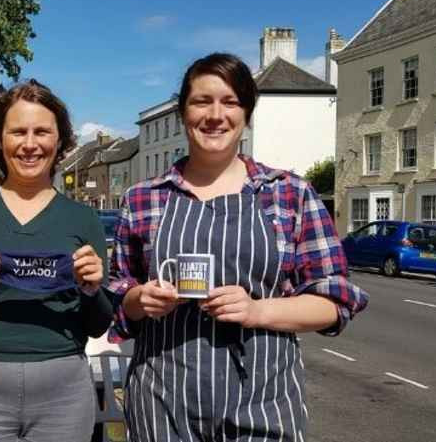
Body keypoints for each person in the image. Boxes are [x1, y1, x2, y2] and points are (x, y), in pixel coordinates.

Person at [107, 53, 369, 442]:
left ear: (247, 113)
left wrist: (256, 309)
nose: (215, 115)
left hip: (264, 402)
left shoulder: (290, 194)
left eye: (230, 102)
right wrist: (139, 299)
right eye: (201, 102)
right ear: (183, 113)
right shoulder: (144, 198)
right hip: (162, 403)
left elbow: (334, 303)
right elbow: (116, 295)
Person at [0, 80, 113, 442]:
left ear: (60, 141)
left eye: (42, 132)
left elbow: (98, 325)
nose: (30, 144)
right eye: (18, 132)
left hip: (64, 393)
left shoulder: (84, 219)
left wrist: (93, 291)